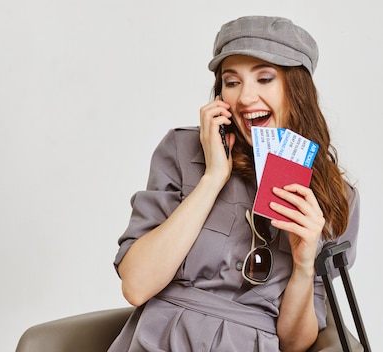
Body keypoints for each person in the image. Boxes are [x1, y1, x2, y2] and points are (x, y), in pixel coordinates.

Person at [109, 15, 359, 352]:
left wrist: (302, 263)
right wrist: (212, 178)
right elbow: (137, 286)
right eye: (232, 81)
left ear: (296, 90)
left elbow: (294, 344)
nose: (244, 98)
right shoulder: (182, 150)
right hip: (157, 340)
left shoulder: (335, 196)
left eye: (265, 78)